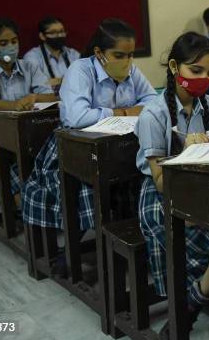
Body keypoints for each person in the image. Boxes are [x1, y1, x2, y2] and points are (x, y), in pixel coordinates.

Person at [135, 32, 209, 338]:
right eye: (195, 71)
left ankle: (202, 297)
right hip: (162, 196)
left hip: (204, 183)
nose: (204, 79)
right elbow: (159, 181)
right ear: (174, 67)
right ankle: (203, 297)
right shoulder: (154, 115)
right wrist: (187, 152)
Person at [22, 19, 157, 247]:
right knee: (89, 189)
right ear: (99, 53)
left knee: (141, 177)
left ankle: (126, 238)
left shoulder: (131, 70)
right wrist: (124, 111)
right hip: (75, 149)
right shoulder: (80, 70)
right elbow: (77, 118)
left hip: (118, 146)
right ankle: (79, 249)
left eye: (130, 55)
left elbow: (154, 101)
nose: (127, 61)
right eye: (119, 55)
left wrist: (120, 113)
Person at [0, 17, 56, 207]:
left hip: (26, 127)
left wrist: (34, 98)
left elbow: (50, 97)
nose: (11, 47)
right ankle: (23, 203)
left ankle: (34, 201)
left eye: (14, 41)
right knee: (1, 170)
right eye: (3, 43)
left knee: (47, 156)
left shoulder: (29, 66)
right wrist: (16, 104)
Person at [23, 16, 80, 92]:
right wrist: (68, 80)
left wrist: (55, 81)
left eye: (61, 31)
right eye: (53, 33)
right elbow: (39, 88)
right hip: (48, 102)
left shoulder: (73, 54)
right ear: (42, 36)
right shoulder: (32, 57)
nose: (59, 35)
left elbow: (84, 80)